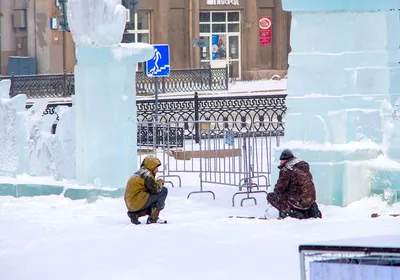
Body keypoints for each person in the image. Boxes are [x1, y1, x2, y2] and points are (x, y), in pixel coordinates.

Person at [266, 149, 322, 219]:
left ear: (286, 160)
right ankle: (310, 210)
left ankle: (292, 212)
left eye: (281, 160)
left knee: (271, 196)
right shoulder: (303, 168)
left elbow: (280, 188)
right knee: (302, 194)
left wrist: (278, 192)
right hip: (310, 200)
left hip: (297, 201)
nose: (280, 162)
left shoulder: (286, 170)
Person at [124, 155, 168, 225]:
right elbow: (156, 189)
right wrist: (160, 182)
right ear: (151, 166)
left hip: (131, 203)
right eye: (156, 167)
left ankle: (135, 214)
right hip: (136, 201)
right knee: (163, 191)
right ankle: (153, 218)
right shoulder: (147, 175)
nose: (157, 170)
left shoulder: (140, 172)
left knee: (152, 197)